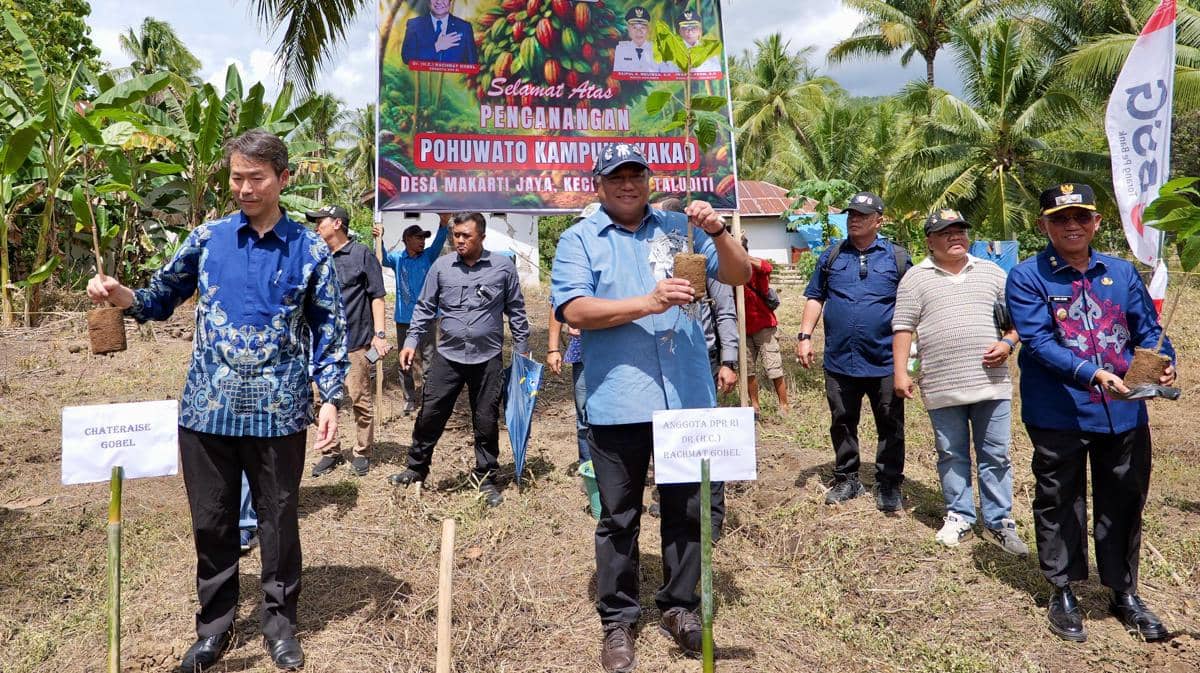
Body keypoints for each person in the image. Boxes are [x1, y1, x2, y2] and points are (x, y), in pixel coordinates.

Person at [86, 129, 347, 672]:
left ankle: (280, 625)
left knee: (278, 521)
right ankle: (214, 629)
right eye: (236, 178)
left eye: (256, 178)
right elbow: (160, 299)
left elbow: (329, 327)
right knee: (213, 521)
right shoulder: (207, 238)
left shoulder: (311, 249)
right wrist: (121, 296)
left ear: (283, 179)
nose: (245, 188)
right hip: (208, 409)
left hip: (280, 410)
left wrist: (330, 398)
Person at [551, 142, 750, 672]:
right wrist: (650, 302)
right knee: (618, 517)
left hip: (686, 397)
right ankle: (618, 620)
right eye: (616, 176)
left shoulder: (678, 229)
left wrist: (718, 233)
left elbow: (739, 275)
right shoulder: (579, 240)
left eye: (636, 175)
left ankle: (680, 606)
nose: (627, 184)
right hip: (618, 400)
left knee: (687, 511)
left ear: (648, 180)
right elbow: (575, 308)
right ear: (599, 184)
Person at [1006, 183, 1176, 643]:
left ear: (1097, 222)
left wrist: (1166, 363)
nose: (1072, 225)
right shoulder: (1027, 277)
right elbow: (1038, 342)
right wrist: (1092, 373)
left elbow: (1149, 329)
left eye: (1081, 216)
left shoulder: (1121, 273)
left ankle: (1124, 592)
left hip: (1123, 412)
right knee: (1059, 499)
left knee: (1123, 497)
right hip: (1059, 410)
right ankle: (1062, 589)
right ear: (1044, 225)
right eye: (1060, 219)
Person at [891, 209, 1028, 555]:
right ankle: (960, 514)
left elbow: (1017, 322)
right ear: (930, 241)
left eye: (960, 231)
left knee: (995, 454)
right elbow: (903, 327)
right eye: (946, 232)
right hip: (941, 382)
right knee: (951, 453)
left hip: (991, 381)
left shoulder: (993, 272)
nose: (956, 237)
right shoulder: (915, 278)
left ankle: (1000, 522)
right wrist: (900, 372)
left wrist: (1008, 343)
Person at [387, 212, 530, 508]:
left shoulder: (502, 268)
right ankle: (416, 468)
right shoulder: (441, 267)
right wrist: (411, 341)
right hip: (448, 357)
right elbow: (425, 307)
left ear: (482, 237)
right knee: (430, 414)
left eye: (466, 235)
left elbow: (516, 311)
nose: (460, 240)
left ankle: (486, 477)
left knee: (486, 419)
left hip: (487, 358)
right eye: (456, 235)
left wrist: (522, 349)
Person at [795, 191, 911, 511]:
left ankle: (888, 483)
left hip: (885, 359)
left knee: (890, 423)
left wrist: (913, 352)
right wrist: (805, 336)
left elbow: (912, 305)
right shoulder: (831, 256)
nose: (854, 219)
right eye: (851, 214)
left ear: (879, 220)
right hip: (840, 358)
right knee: (842, 420)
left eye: (861, 215)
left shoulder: (897, 258)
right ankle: (847, 478)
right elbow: (816, 297)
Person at [309, 204, 390, 477]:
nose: (316, 226)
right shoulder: (316, 256)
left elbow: (377, 296)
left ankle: (362, 452)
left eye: (321, 221)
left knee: (359, 400)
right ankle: (330, 451)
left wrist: (379, 335)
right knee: (321, 402)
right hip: (321, 346)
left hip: (355, 343)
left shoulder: (361, 255)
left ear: (337, 224)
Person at [377, 214, 450, 415]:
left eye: (423, 238)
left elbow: (439, 240)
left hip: (428, 318)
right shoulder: (398, 259)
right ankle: (408, 399)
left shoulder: (428, 256)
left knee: (429, 361)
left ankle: (428, 398)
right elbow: (380, 257)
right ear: (407, 239)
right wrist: (379, 238)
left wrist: (443, 224)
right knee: (405, 362)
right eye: (418, 237)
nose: (422, 241)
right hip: (404, 319)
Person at [742, 235, 789, 417]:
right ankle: (754, 406)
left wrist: (741, 256)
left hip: (764, 326)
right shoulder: (730, 268)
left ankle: (783, 405)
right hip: (743, 328)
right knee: (748, 369)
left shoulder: (757, 265)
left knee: (773, 367)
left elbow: (767, 267)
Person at [400, 0, 478, 65]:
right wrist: (436, 47)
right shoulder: (414, 25)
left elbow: (472, 63)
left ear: (450, 1)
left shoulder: (465, 27)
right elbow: (407, 57)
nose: (439, 1)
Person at [660, 9, 721, 74]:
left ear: (699, 31)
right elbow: (665, 72)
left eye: (693, 28)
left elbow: (716, 72)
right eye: (685, 28)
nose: (690, 31)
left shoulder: (708, 49)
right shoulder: (671, 49)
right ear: (680, 31)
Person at [612, 7, 660, 74]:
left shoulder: (657, 50)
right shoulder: (621, 49)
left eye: (642, 28)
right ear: (628, 29)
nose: (639, 32)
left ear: (648, 29)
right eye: (634, 27)